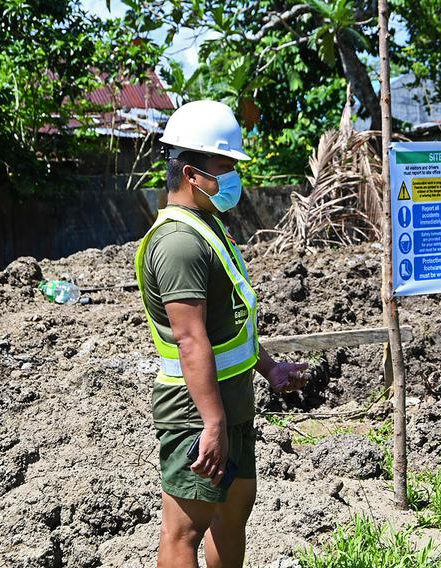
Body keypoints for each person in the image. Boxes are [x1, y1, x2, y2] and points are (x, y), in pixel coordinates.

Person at [135, 100, 308, 568]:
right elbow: (190, 340)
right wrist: (211, 423)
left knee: (231, 518)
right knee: (184, 530)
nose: (234, 176)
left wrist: (268, 366)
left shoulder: (209, 228)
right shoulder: (178, 243)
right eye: (225, 165)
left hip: (230, 404)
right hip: (196, 413)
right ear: (192, 173)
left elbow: (228, 323)